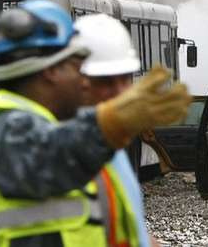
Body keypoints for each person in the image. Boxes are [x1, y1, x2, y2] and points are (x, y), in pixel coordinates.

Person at [0, 0, 192, 247]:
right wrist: (109, 124)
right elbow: (49, 156)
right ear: (51, 70)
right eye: (76, 67)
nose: (83, 81)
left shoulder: (80, 140)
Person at [74, 13, 160, 247]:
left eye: (125, 79)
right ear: (76, 79)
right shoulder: (59, 147)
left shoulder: (111, 147)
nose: (120, 92)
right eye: (105, 81)